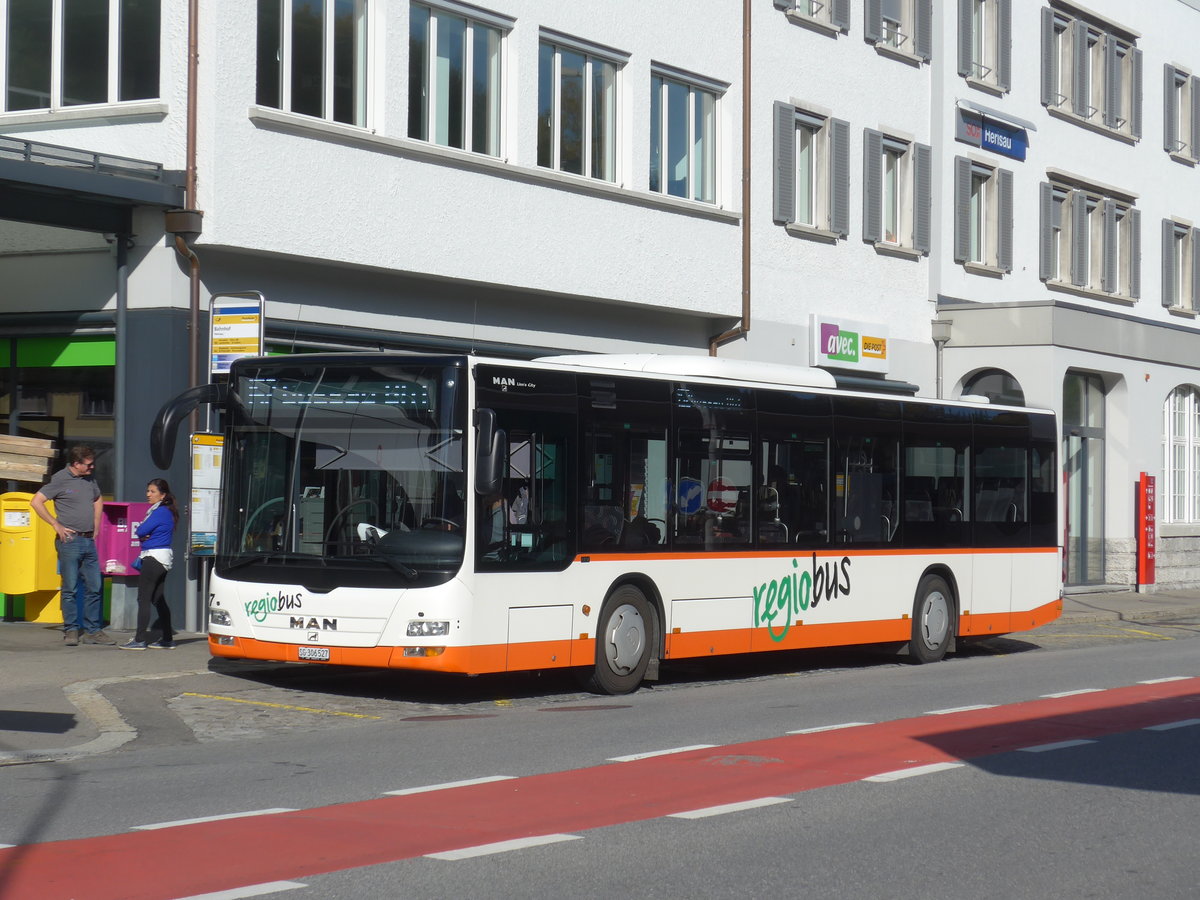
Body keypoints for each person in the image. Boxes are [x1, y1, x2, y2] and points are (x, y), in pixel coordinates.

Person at [30, 445, 113, 646]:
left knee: (94, 586)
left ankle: (93, 631)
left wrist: (96, 524)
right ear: (76, 464)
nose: (92, 467)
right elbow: (36, 502)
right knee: (71, 588)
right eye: (88, 464)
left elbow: (97, 498)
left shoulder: (90, 479)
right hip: (70, 541)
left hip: (88, 540)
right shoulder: (60, 479)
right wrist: (55, 524)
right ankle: (71, 630)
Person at [120, 479, 178, 651]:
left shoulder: (159, 512)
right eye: (148, 491)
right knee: (157, 598)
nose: (148, 495)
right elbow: (144, 532)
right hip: (163, 558)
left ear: (163, 495)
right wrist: (145, 534)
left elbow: (140, 530)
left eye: (152, 491)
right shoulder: (166, 511)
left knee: (143, 598)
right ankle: (167, 639)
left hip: (153, 557)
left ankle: (139, 640)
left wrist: (144, 535)